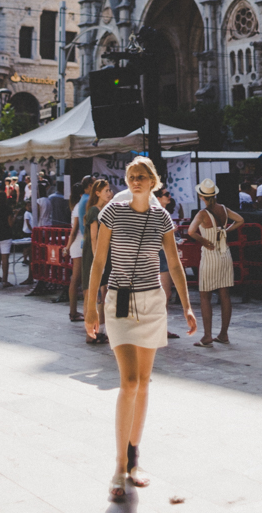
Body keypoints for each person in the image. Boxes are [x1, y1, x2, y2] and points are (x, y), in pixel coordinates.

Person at [85, 157, 196, 503]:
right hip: (118, 302)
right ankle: (119, 465)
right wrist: (91, 307)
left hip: (152, 303)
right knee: (129, 381)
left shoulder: (161, 217)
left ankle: (134, 462)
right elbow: (99, 262)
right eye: (131, 176)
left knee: (145, 383)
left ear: (153, 182)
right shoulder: (112, 214)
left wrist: (188, 306)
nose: (134, 181)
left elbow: (175, 263)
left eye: (141, 177)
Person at [187, 178, 244, 346]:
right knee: (224, 294)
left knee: (205, 295)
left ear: (201, 196)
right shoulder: (224, 210)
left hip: (210, 255)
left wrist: (203, 240)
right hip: (225, 254)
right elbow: (240, 219)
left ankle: (207, 336)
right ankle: (223, 334)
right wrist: (226, 230)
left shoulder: (202, 214)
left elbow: (191, 231)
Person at [83, 179, 113, 345]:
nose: (109, 193)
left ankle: (97, 331)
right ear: (97, 193)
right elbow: (93, 237)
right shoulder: (94, 210)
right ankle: (90, 333)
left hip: (104, 254)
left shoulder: (105, 209)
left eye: (110, 190)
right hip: (94, 255)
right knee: (91, 293)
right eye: (106, 190)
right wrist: (97, 260)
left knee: (102, 293)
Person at [155, 187, 180, 338]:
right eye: (166, 195)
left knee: (165, 293)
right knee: (164, 293)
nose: (169, 196)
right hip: (160, 253)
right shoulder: (158, 212)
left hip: (162, 253)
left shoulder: (161, 211)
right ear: (158, 197)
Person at [62, 182, 85, 322]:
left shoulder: (78, 206)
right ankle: (73, 312)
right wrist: (68, 247)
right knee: (76, 279)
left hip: (79, 245)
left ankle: (75, 311)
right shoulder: (78, 208)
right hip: (78, 245)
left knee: (78, 279)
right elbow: (74, 230)